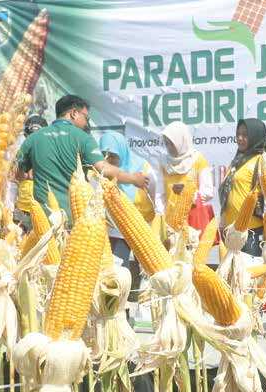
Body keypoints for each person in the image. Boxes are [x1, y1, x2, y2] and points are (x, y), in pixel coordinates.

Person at [16, 95, 149, 221]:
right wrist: (133, 179)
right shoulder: (83, 138)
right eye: (86, 117)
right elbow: (103, 169)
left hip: (42, 219)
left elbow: (18, 174)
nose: (87, 123)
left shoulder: (33, 139)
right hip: (73, 218)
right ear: (74, 113)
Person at [99, 131, 158, 269]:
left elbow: (154, 193)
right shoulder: (102, 173)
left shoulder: (143, 168)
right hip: (116, 229)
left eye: (113, 156)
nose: (108, 161)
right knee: (118, 269)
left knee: (148, 269)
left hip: (143, 226)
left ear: (122, 151)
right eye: (104, 156)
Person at [218, 119, 266, 256]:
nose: (240, 138)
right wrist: (223, 222)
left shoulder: (262, 160)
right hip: (231, 232)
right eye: (238, 134)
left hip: (251, 233)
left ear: (255, 136)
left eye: (245, 135)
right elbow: (227, 194)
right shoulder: (237, 160)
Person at [156, 121, 213, 217]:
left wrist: (186, 193)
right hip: (170, 221)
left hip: (194, 220)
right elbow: (160, 194)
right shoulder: (164, 163)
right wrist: (161, 215)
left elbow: (208, 192)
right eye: (166, 143)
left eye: (172, 143)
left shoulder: (198, 160)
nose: (169, 148)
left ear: (181, 141)